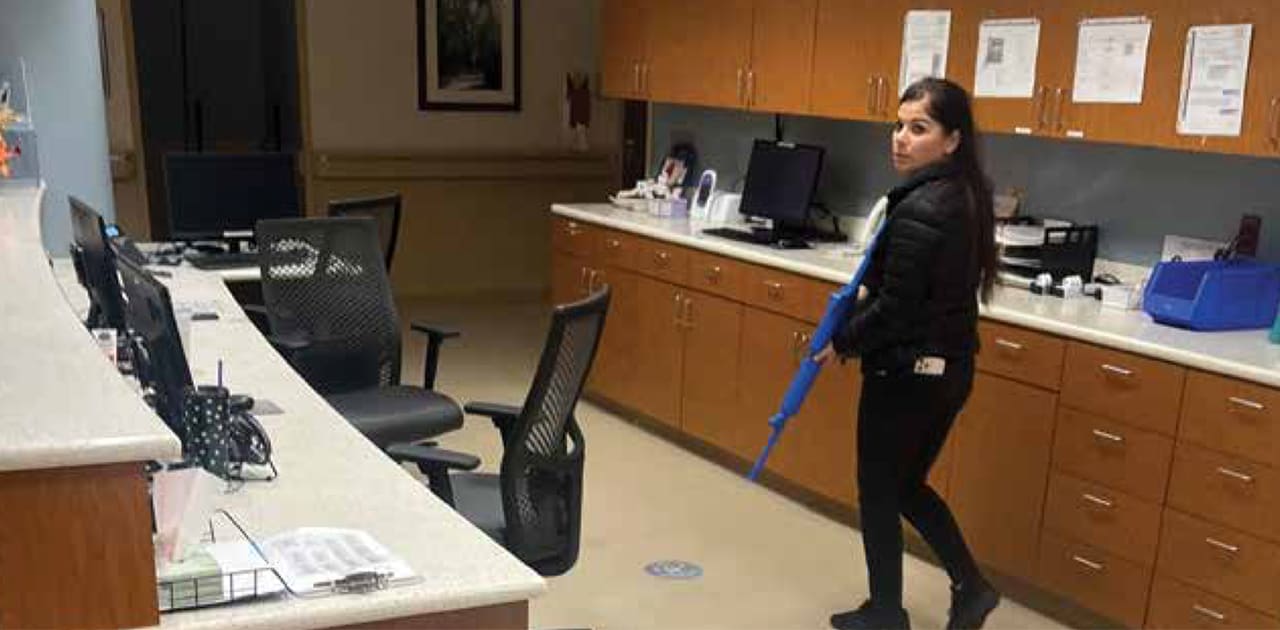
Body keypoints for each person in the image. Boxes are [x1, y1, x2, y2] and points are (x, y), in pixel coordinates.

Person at [814, 77, 1000, 630]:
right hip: (948, 370)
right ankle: (972, 587)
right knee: (905, 486)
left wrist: (840, 342)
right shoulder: (959, 195)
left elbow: (895, 309)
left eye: (918, 129)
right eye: (898, 125)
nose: (900, 138)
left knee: (878, 488)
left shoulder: (925, 207)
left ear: (951, 141)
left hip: (908, 374)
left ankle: (887, 613)